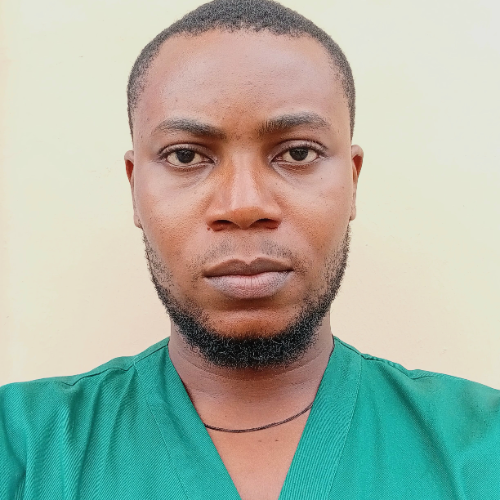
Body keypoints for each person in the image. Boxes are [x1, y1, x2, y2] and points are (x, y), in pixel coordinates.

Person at [1, 0, 499, 498]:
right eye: (186, 156)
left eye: (298, 152)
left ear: (352, 181)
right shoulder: (22, 447)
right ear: (135, 189)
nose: (243, 205)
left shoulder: (483, 448)